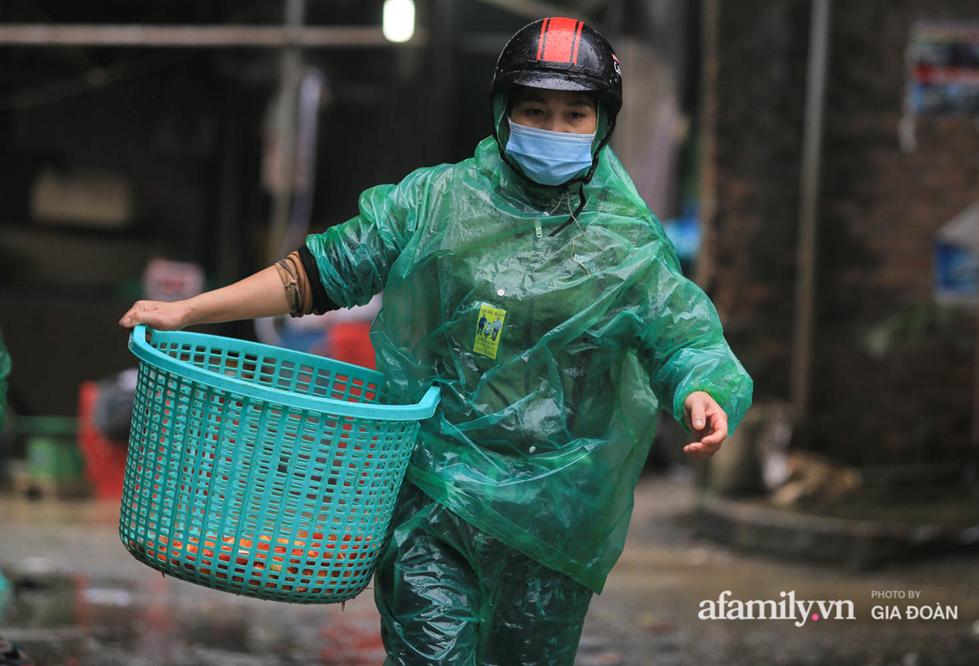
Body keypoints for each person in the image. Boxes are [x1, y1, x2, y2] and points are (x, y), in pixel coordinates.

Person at [119, 16, 753, 665]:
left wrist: (701, 391)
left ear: (603, 123)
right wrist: (189, 311)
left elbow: (682, 336)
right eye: (536, 109)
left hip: (552, 525)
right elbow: (318, 273)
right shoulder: (436, 204)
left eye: (574, 115)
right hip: (435, 503)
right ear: (505, 113)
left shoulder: (628, 247)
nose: (553, 130)